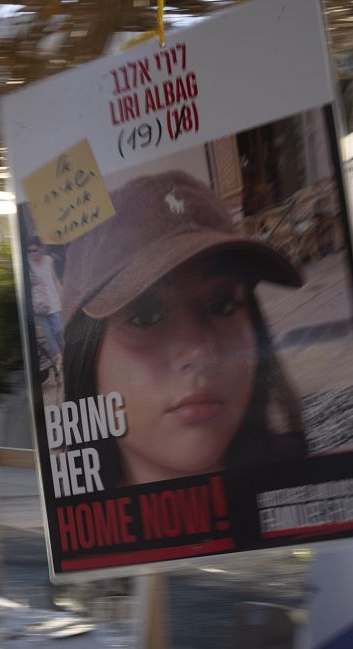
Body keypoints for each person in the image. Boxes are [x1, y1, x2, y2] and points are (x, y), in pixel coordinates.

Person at [59, 170, 307, 488]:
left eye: (222, 306)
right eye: (145, 316)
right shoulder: (73, 526)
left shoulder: (312, 487)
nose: (202, 352)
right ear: (86, 359)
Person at [27, 240, 64, 384]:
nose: (32, 253)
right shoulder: (28, 264)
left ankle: (62, 356)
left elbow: (55, 280)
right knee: (48, 335)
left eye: (34, 250)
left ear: (41, 250)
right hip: (40, 306)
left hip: (54, 302)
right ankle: (59, 359)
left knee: (59, 331)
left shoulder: (49, 261)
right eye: (29, 251)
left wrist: (62, 297)